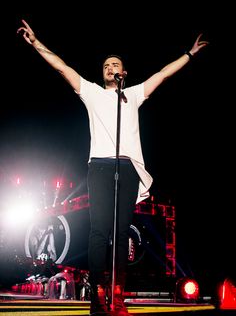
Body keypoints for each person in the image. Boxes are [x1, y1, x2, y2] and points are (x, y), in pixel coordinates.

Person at [17, 19, 209, 316]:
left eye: (115, 64)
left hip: (128, 168)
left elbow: (162, 74)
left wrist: (190, 54)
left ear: (123, 72)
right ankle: (97, 294)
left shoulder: (133, 94)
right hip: (100, 167)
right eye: (106, 64)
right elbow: (62, 67)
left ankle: (118, 297)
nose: (110, 67)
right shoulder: (92, 92)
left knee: (121, 234)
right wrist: (35, 43)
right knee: (99, 232)